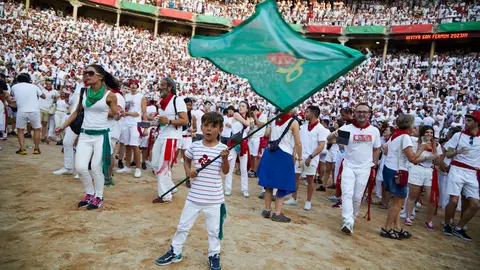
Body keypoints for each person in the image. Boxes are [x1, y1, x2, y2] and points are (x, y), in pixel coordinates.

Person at [154, 112, 231, 270]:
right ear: (201, 127)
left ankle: (214, 254)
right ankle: (175, 251)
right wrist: (188, 172)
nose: (208, 129)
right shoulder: (194, 146)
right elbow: (187, 159)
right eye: (206, 125)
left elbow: (225, 171)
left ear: (220, 129)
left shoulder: (223, 149)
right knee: (183, 226)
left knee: (214, 231)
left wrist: (224, 158)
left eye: (213, 126)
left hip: (214, 199)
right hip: (194, 197)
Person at [55, 64, 119, 210]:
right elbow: (76, 112)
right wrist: (63, 126)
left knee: (96, 167)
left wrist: (119, 115)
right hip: (84, 134)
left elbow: (115, 114)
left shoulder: (110, 95)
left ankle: (99, 196)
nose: (86, 76)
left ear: (100, 77)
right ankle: (90, 193)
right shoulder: (84, 92)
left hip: (101, 136)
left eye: (90, 73)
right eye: (85, 73)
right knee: (81, 167)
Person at [328, 103, 381, 234]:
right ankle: (347, 221)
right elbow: (337, 144)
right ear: (354, 113)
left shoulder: (374, 131)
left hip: (365, 168)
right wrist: (334, 135)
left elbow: (376, 148)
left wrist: (374, 164)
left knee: (357, 197)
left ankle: (353, 216)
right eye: (359, 112)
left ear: (369, 114)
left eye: (365, 112)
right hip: (349, 166)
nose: (362, 114)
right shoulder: (347, 129)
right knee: (347, 193)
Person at [381, 114, 427, 240]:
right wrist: (421, 149)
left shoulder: (395, 135)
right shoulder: (405, 137)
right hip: (398, 170)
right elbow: (412, 158)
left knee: (396, 201)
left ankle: (396, 227)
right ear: (410, 125)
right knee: (398, 202)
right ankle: (387, 227)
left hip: (389, 168)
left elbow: (385, 150)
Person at [258, 110, 302, 223]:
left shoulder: (274, 119)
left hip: (270, 153)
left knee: (269, 184)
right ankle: (277, 213)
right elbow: (298, 143)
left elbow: (266, 134)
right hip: (284, 155)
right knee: (282, 184)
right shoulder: (294, 122)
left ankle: (267, 210)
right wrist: (300, 158)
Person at [443, 111, 480, 241]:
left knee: (475, 204)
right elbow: (447, 154)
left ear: (477, 123)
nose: (466, 123)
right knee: (453, 200)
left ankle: (459, 227)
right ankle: (447, 224)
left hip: (472, 172)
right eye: (466, 120)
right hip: (457, 169)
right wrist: (457, 152)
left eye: (470, 121)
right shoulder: (458, 135)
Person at [151, 77, 188, 203]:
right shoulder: (162, 102)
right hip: (162, 136)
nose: (159, 87)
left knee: (163, 166)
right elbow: (163, 120)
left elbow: (185, 120)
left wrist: (169, 121)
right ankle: (170, 187)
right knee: (155, 164)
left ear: (169, 87)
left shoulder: (177, 101)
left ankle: (165, 195)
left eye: (162, 85)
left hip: (172, 137)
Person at [284, 105, 328, 210]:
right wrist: (295, 155)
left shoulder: (321, 129)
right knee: (295, 177)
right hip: (300, 157)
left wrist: (310, 157)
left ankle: (308, 201)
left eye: (307, 112)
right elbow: (298, 142)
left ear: (312, 114)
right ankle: (294, 198)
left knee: (310, 179)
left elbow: (321, 146)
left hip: (311, 158)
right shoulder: (303, 126)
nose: (305, 113)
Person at [403, 125, 442, 231]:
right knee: (413, 195)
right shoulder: (416, 143)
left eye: (431, 133)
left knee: (431, 198)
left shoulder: (436, 145)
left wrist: (436, 155)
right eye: (426, 132)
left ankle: (429, 221)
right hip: (417, 169)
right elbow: (413, 159)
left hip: (429, 171)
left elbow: (438, 162)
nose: (429, 135)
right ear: (422, 133)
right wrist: (426, 156)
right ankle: (408, 217)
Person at [8, 73, 46, 155]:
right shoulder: (34, 86)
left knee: (20, 130)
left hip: (22, 110)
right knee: (37, 129)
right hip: (34, 110)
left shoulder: (14, 87)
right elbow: (43, 96)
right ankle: (36, 149)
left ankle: (22, 149)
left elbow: (11, 97)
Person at [117, 79, 146, 178]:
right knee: (127, 145)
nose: (133, 86)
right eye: (131, 84)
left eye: (135, 84)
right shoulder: (126, 96)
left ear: (137, 86)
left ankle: (138, 168)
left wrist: (145, 128)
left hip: (135, 123)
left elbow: (143, 112)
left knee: (135, 145)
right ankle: (127, 166)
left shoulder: (141, 96)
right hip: (126, 122)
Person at [224, 101, 251, 197]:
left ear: (247, 109)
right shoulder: (236, 114)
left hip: (243, 144)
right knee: (231, 167)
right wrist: (249, 122)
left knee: (244, 169)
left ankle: (245, 189)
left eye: (243, 106)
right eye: (240, 106)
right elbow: (247, 124)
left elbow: (248, 131)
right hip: (233, 143)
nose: (240, 107)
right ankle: (227, 188)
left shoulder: (248, 118)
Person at [178, 97, 197, 187]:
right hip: (178, 137)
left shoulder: (192, 116)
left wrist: (191, 130)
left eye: (190, 105)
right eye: (187, 104)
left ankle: (187, 179)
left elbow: (195, 129)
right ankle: (167, 177)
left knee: (187, 159)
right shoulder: (179, 114)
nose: (188, 106)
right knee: (173, 157)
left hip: (187, 138)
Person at [247, 105, 268, 178]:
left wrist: (255, 116)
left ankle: (255, 171)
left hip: (258, 138)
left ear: (256, 110)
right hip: (252, 137)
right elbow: (251, 127)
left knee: (256, 156)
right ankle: (252, 169)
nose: (252, 114)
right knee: (252, 155)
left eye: (252, 112)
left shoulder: (263, 116)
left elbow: (260, 125)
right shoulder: (252, 117)